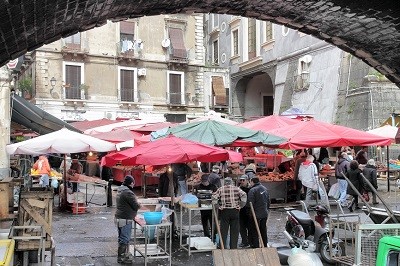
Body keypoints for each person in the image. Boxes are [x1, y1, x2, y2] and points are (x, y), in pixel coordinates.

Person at [212, 177, 246, 249]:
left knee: (223, 230)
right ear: (231, 182)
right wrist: (241, 205)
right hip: (235, 211)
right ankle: (233, 247)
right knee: (234, 230)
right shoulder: (237, 189)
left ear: (224, 182)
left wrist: (218, 206)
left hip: (225, 211)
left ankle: (223, 246)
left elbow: (214, 197)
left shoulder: (221, 189)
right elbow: (244, 195)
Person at [115, 175, 141, 264]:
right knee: (125, 239)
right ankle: (121, 257)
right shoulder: (128, 193)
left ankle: (123, 255)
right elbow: (136, 206)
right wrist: (139, 203)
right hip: (125, 218)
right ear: (131, 183)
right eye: (133, 183)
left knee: (121, 238)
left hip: (119, 218)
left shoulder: (120, 190)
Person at [247, 176, 270, 248]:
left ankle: (256, 245)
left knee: (254, 230)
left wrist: (249, 213)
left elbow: (250, 203)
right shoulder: (265, 188)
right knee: (263, 229)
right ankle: (265, 244)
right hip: (264, 213)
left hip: (255, 214)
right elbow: (268, 201)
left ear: (252, 182)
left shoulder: (252, 190)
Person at [195, 174, 217, 238]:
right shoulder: (199, 186)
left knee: (212, 221)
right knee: (204, 221)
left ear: (208, 180)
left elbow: (216, 195)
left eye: (205, 181)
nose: (204, 183)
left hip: (211, 207)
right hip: (202, 206)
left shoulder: (213, 186)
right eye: (203, 181)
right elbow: (196, 195)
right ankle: (206, 235)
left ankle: (214, 235)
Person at [238, 174, 251, 248]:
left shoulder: (251, 189)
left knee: (249, 227)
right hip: (241, 210)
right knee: (242, 227)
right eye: (241, 180)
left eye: (243, 180)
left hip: (249, 210)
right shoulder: (239, 189)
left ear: (247, 180)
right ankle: (244, 241)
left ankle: (249, 241)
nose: (242, 182)